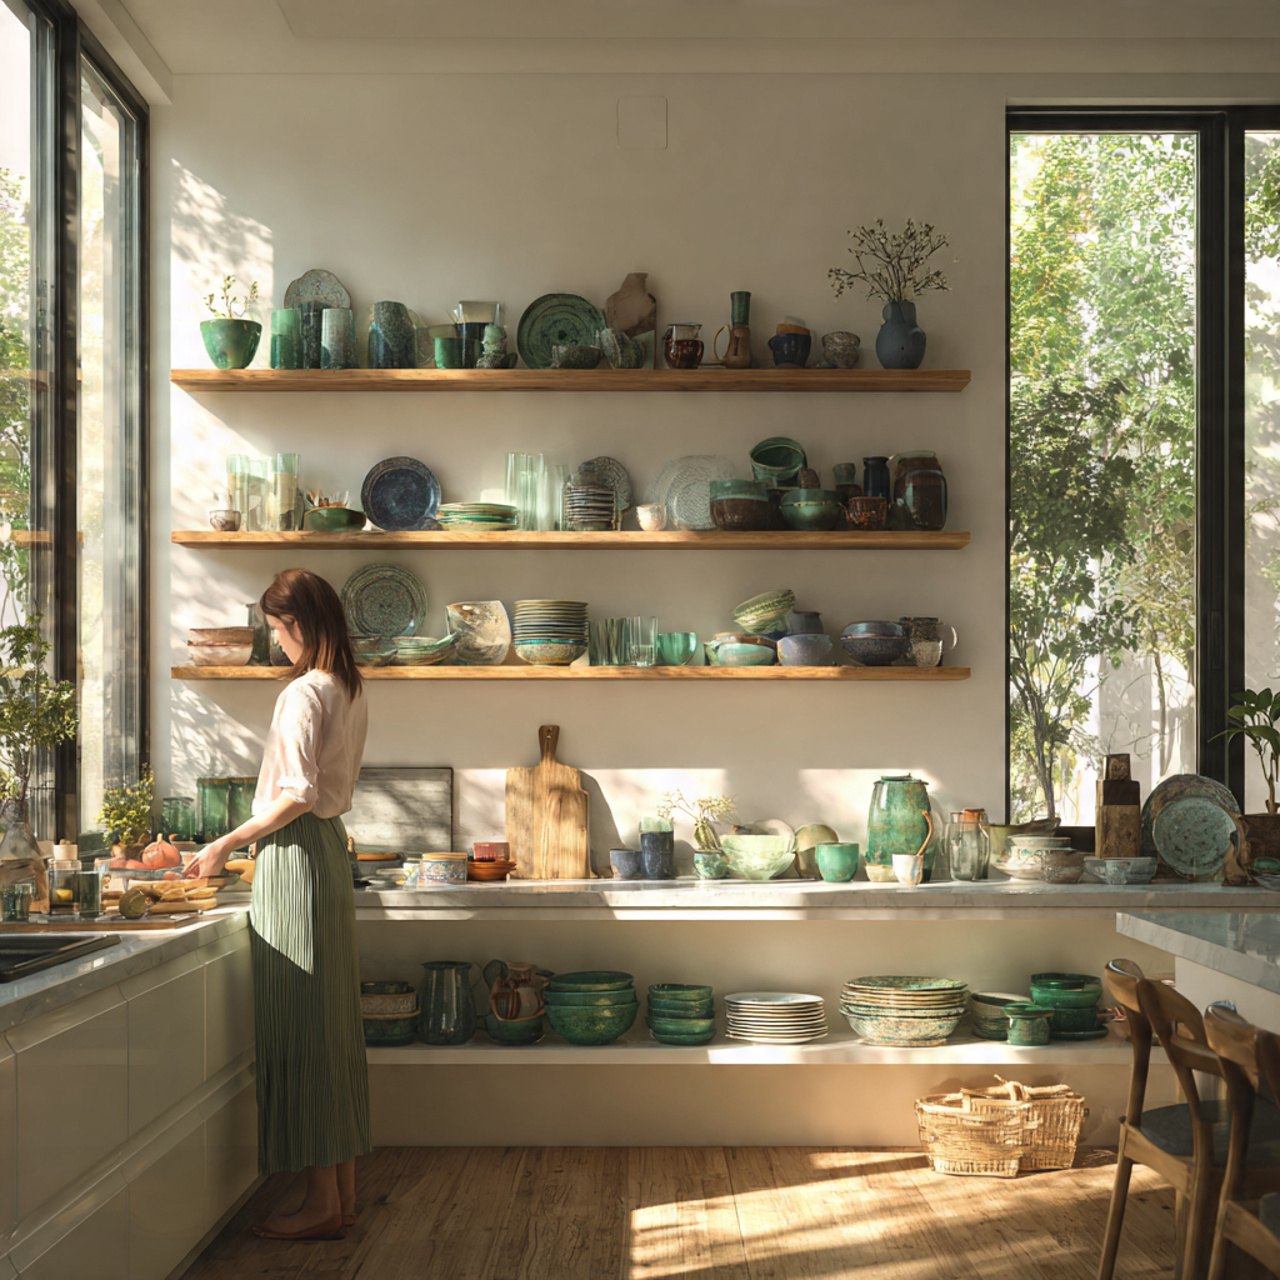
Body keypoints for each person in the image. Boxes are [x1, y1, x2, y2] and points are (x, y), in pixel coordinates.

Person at [186, 568, 370, 1241]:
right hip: (326, 850)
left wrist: (225, 842)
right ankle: (341, 1197)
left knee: (301, 1028)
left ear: (300, 625)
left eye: (275, 629)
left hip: (296, 857)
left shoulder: (302, 693)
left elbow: (293, 793)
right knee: (331, 1030)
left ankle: (321, 1203)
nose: (274, 644)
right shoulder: (348, 687)